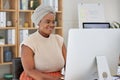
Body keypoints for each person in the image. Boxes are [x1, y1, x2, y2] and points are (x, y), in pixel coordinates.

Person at [20, 4, 66, 80]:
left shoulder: (59, 40)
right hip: (35, 77)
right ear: (38, 22)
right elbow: (29, 71)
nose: (51, 25)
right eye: (47, 22)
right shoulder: (28, 43)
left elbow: (69, 64)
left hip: (58, 77)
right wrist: (53, 79)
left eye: (53, 22)